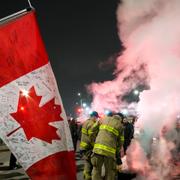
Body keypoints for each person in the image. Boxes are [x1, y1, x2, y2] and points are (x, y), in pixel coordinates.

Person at [91, 113, 124, 180]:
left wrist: (95, 141)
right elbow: (120, 142)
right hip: (110, 152)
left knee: (96, 170)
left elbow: (93, 129)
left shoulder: (104, 119)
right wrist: (117, 153)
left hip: (97, 149)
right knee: (110, 172)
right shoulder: (120, 126)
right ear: (120, 119)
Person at [80, 111, 99, 180]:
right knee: (91, 163)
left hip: (84, 146)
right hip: (89, 146)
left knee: (87, 161)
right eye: (96, 118)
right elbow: (92, 136)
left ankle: (86, 174)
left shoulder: (86, 122)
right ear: (94, 116)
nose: (96, 119)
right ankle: (88, 176)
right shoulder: (91, 124)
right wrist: (95, 145)